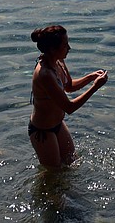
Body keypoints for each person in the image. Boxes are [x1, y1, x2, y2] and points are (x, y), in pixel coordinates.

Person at [28, 24, 108, 168]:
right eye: (65, 45)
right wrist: (95, 87)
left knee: (72, 163)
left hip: (58, 124)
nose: (69, 48)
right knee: (54, 173)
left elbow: (69, 86)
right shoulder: (45, 75)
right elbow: (69, 107)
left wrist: (90, 77)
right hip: (43, 131)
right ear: (52, 49)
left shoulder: (58, 62)